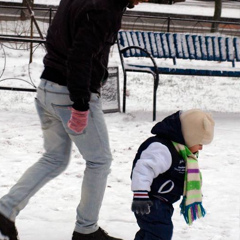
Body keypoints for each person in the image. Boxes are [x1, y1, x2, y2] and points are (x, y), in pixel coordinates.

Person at [0, 0, 149, 240]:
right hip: (71, 94)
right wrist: (80, 105)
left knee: (54, 158)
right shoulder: (104, 8)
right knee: (100, 161)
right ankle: (86, 230)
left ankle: (4, 210)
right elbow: (80, 56)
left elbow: (56, 36)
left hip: (47, 87)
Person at [131, 109, 215, 240]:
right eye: (199, 143)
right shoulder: (162, 149)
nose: (201, 148)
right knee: (160, 234)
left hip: (162, 203)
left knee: (152, 233)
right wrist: (140, 195)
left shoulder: (180, 151)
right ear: (189, 136)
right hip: (150, 202)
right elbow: (143, 169)